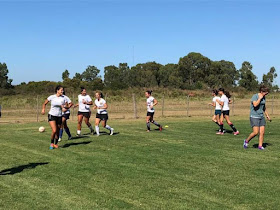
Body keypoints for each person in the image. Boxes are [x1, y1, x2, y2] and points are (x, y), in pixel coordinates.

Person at [243, 86, 271, 150]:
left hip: (261, 116)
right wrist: (259, 99)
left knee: (262, 132)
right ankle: (246, 141)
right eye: (265, 93)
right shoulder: (255, 96)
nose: (266, 94)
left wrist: (267, 115)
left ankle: (260, 146)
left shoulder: (264, 97)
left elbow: (264, 107)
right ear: (261, 91)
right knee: (255, 132)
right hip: (254, 116)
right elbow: (255, 104)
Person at [42, 85, 68, 149]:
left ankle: (56, 143)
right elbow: (44, 103)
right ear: (57, 90)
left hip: (59, 116)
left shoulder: (64, 98)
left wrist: (65, 108)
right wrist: (43, 109)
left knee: (58, 131)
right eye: (61, 90)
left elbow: (66, 106)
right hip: (52, 115)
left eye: (63, 90)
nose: (62, 91)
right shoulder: (52, 97)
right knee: (54, 130)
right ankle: (51, 143)